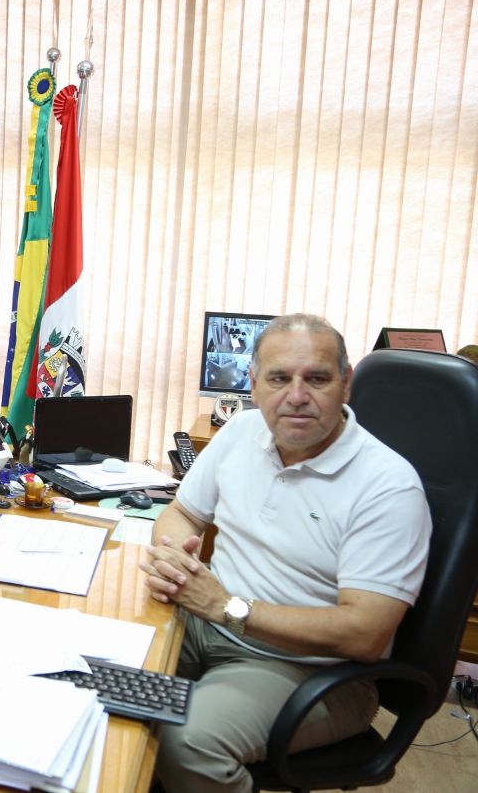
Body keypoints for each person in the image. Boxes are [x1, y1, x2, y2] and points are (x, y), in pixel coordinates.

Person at [142, 313, 431, 793]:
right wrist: (176, 560)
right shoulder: (240, 432)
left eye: (316, 378)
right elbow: (182, 514)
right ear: (253, 385)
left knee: (186, 742)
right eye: (279, 378)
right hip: (204, 624)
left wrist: (226, 606)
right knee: (90, 677)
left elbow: (364, 635)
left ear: (346, 384)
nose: (296, 396)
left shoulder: (388, 487)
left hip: (310, 670)